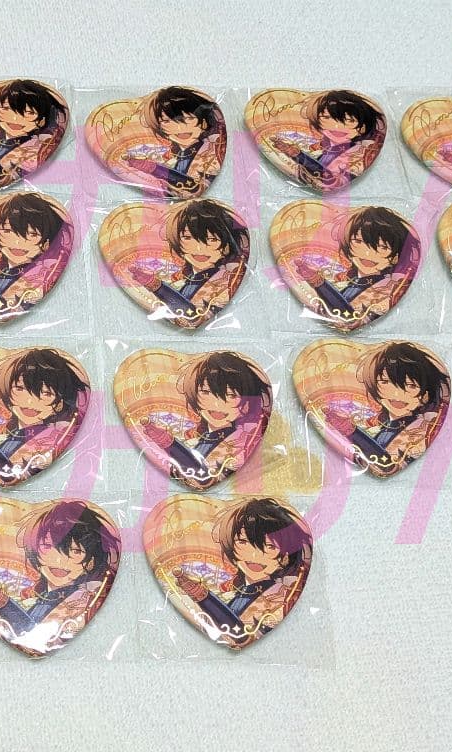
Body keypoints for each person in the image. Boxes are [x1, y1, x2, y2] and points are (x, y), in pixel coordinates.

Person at [0, 500, 119, 648]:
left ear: (91, 560)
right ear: (35, 551)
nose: (59, 560)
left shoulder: (86, 596)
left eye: (76, 551)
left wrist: (2, 603)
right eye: (47, 546)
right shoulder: (42, 597)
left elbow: (31, 633)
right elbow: (29, 633)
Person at [172, 497, 312, 647]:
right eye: (243, 542)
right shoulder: (236, 592)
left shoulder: (281, 595)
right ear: (231, 546)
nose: (254, 556)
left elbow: (243, 635)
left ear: (285, 556)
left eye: (270, 546)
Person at [0, 348, 89, 484]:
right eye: (19, 389)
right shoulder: (8, 434)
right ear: (8, 393)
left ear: (59, 403)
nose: (29, 402)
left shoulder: (52, 435)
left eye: (46, 393)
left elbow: (8, 474)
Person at [142, 352, 271, 489]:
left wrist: (169, 443)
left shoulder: (242, 439)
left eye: (231, 395)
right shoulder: (198, 437)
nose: (217, 404)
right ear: (194, 396)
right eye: (205, 392)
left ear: (247, 403)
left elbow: (204, 477)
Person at [324, 342, 449, 475]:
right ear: (374, 387)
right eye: (385, 382)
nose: (397, 394)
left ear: (425, 395)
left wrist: (352, 431)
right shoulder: (379, 424)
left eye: (411, 385)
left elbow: (386, 465)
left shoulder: (422, 428)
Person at [293, 206, 418, 330]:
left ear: (395, 257)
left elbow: (349, 318)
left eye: (383, 247)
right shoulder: (347, 282)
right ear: (348, 245)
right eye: (358, 242)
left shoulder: (390, 287)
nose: (368, 253)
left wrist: (319, 283)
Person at [129, 200, 248, 326]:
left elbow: (194, 317)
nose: (199, 249)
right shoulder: (184, 277)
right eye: (187, 238)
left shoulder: (226, 279)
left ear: (226, 247)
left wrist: (156, 286)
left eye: (212, 239)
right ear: (177, 242)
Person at [269, 90, 385, 190]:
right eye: (326, 118)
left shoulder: (359, 153)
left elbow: (332, 181)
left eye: (350, 120)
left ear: (362, 128)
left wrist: (299, 156)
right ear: (317, 122)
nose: (337, 126)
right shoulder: (328, 149)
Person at [124, 86, 225, 197]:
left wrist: (154, 169)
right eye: (166, 121)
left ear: (204, 122)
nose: (179, 127)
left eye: (189, 118)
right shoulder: (169, 154)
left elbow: (193, 187)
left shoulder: (212, 149)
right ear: (160, 128)